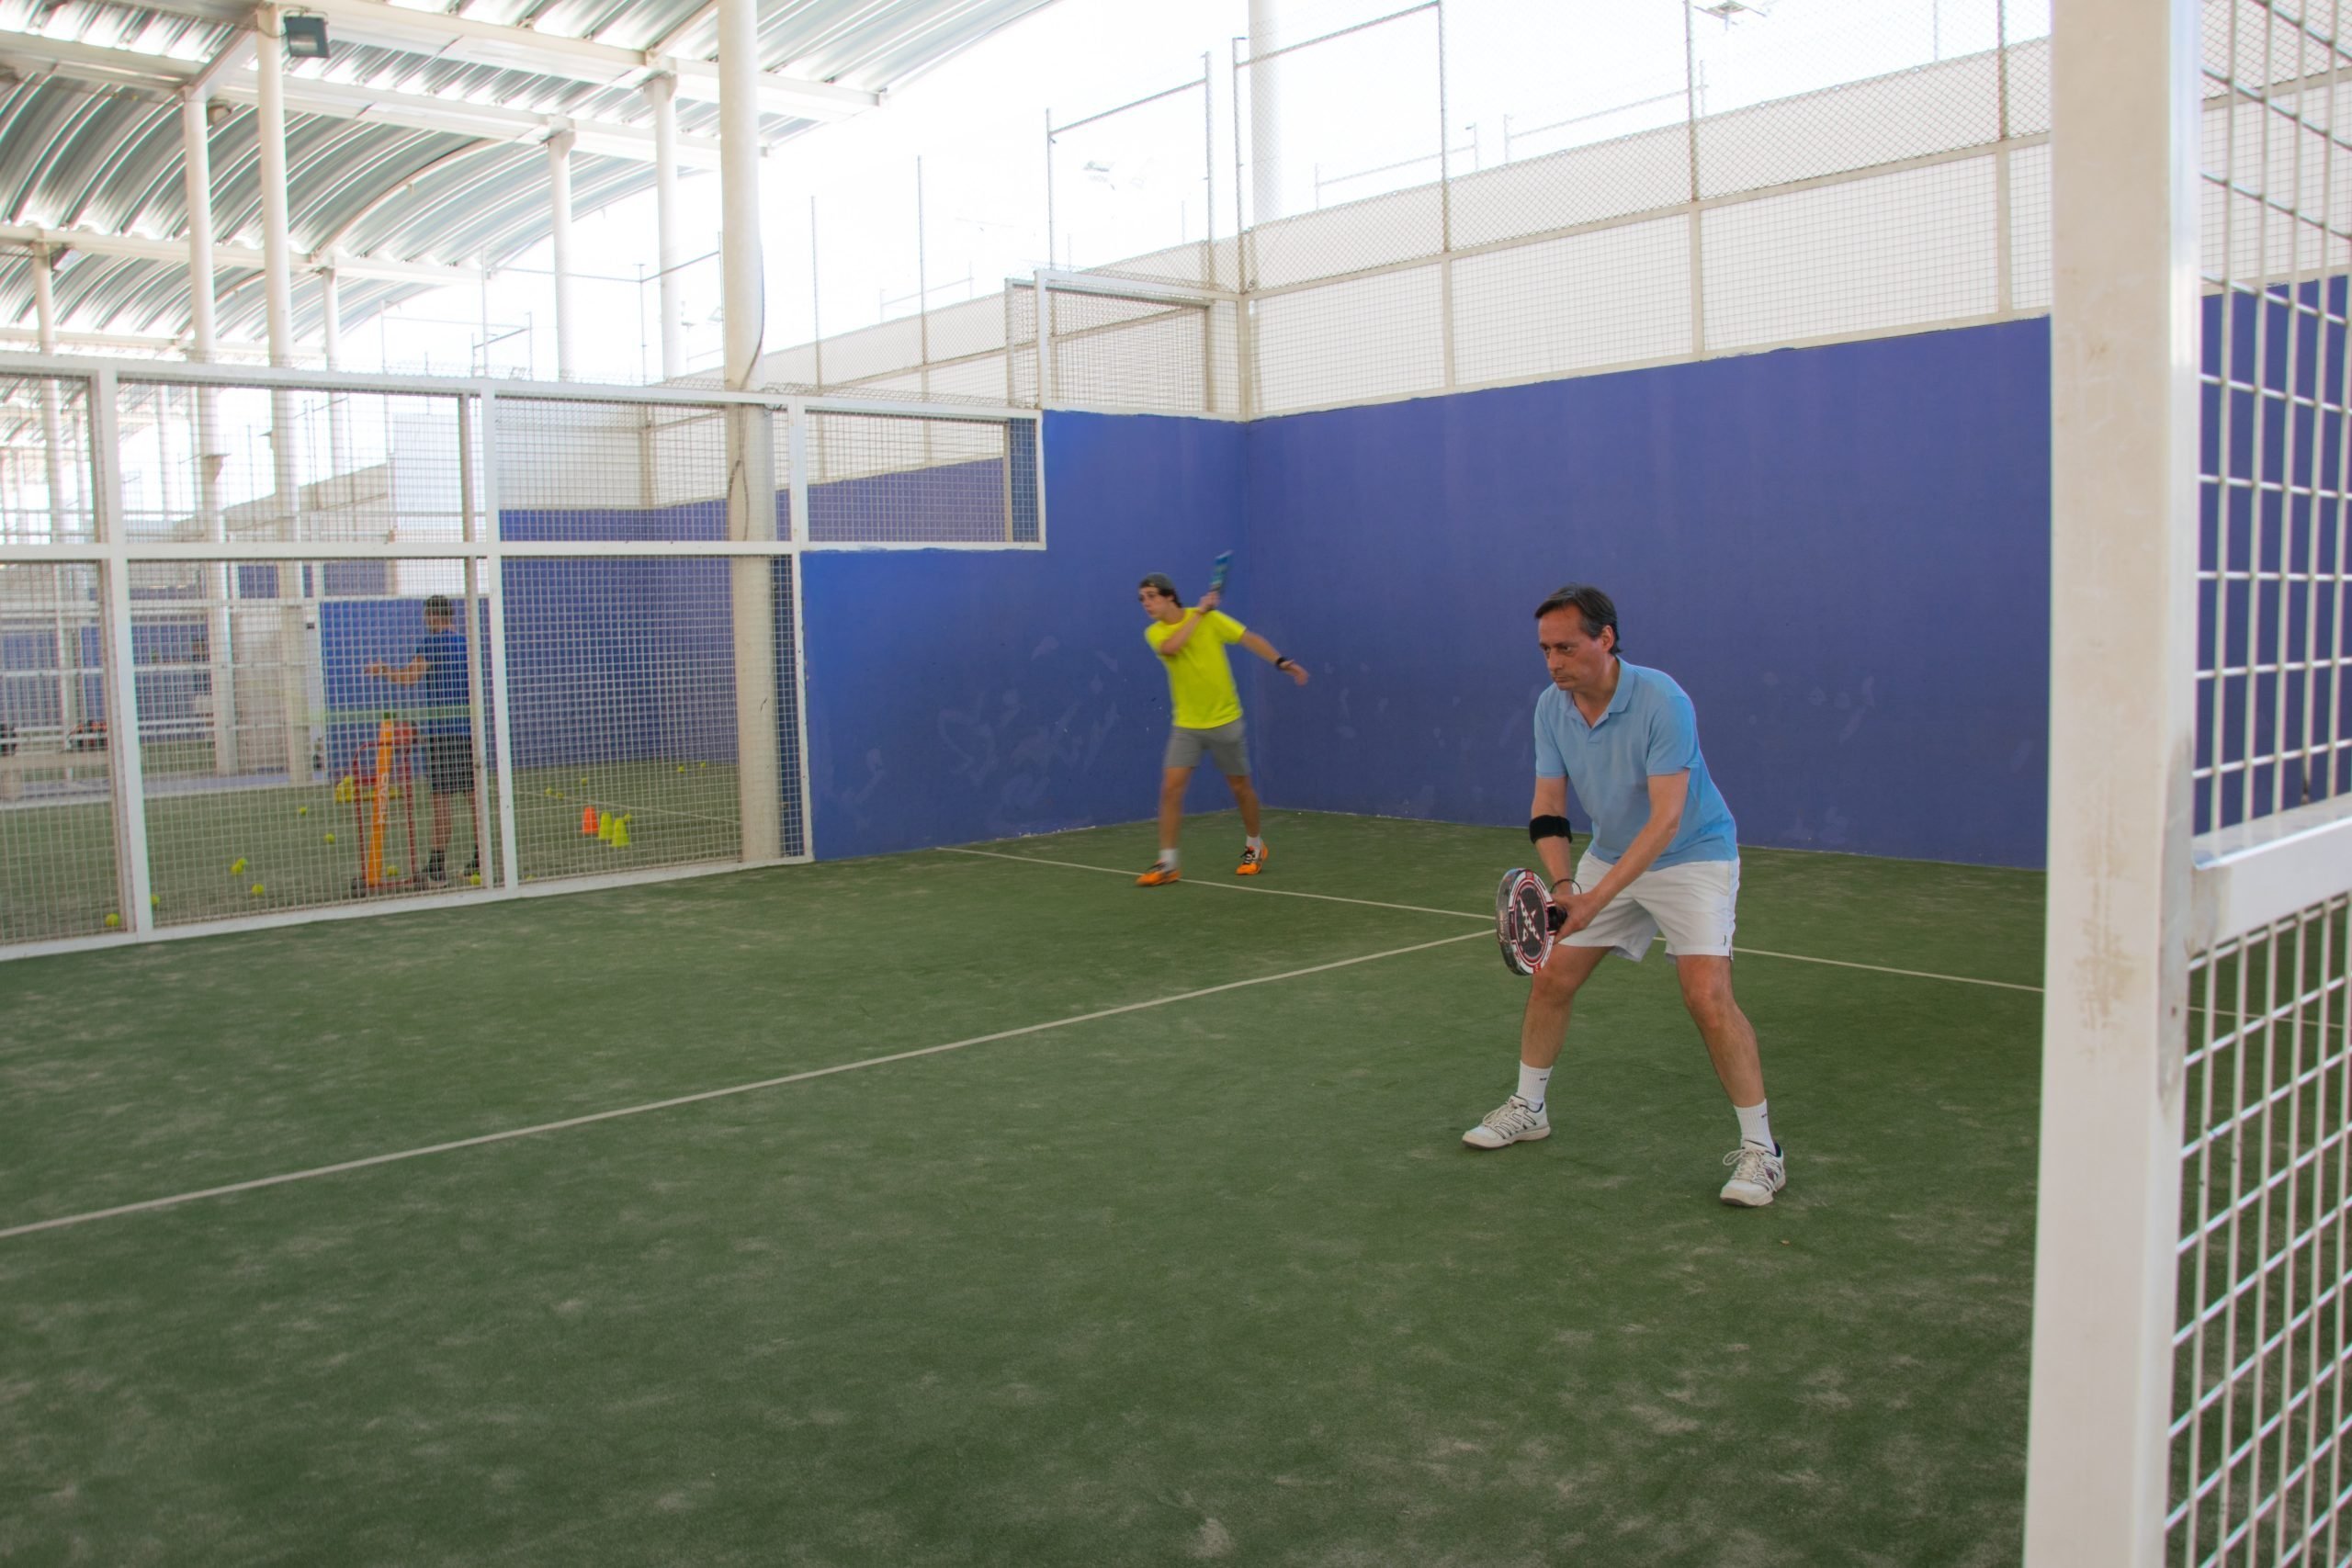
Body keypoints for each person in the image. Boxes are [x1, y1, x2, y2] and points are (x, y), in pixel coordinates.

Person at [1462, 584, 1786, 1208]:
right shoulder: (1551, 708)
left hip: (1692, 855)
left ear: (1605, 639)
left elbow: (1665, 820)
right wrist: (1565, 886)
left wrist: (1595, 897)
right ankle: (1529, 1107)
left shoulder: (1663, 700)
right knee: (1553, 977)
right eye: (1545, 650)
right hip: (1610, 854)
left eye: (1566, 647)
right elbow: (1548, 807)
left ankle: (1762, 1151)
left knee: (1707, 996)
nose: (1553, 662)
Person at [1135, 570, 1309, 886]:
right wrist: (1199, 613)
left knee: (1240, 789)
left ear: (1170, 596)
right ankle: (1168, 864)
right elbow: (1173, 647)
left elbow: (1249, 638)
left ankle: (1255, 846)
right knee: (1170, 789)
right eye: (1142, 599)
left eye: (1151, 596)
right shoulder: (1155, 632)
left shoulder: (1211, 620)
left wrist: (1280, 661)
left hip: (1225, 721)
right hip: (1186, 725)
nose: (1146, 603)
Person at [365, 593, 479, 886]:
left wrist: (384, 670)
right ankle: (481, 859)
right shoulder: (467, 645)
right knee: (473, 797)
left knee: (441, 799)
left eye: (426, 615)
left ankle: (436, 868)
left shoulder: (433, 644)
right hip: (468, 733)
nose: (424, 620)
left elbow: (410, 677)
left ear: (433, 615)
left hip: (442, 734)